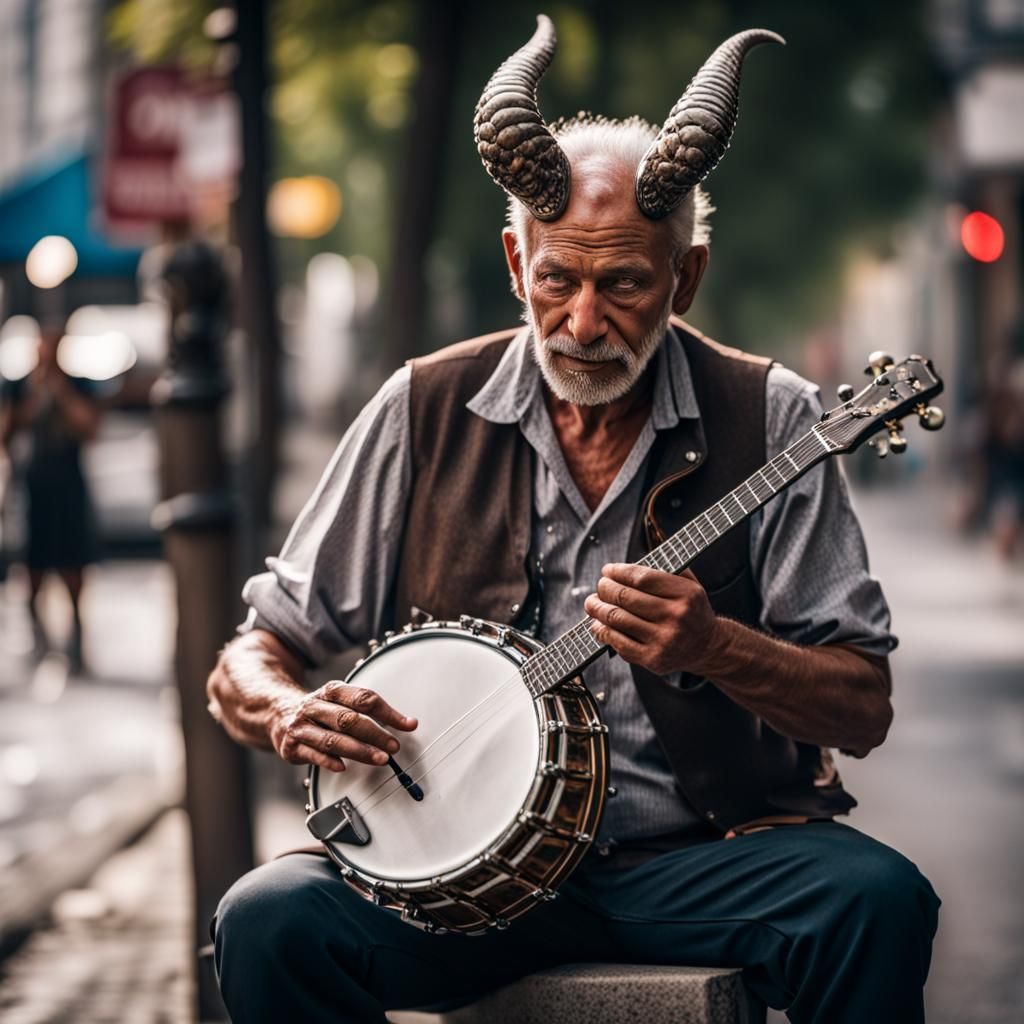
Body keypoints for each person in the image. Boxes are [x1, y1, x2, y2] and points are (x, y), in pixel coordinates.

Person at [207, 19, 939, 1024]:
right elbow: (253, 656)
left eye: (624, 284)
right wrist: (289, 711)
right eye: (558, 280)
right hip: (456, 885)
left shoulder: (772, 418)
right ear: (516, 262)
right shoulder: (420, 407)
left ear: (684, 279)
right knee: (267, 916)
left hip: (701, 862)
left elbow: (862, 706)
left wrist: (717, 646)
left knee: (873, 901)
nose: (583, 323)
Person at [0, 320, 101, 671]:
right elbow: (7, 432)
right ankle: (40, 638)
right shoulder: (18, 386)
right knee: (33, 567)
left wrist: (59, 393)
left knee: (74, 565)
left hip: (68, 484)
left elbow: (90, 426)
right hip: (33, 486)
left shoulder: (76, 383)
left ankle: (76, 638)